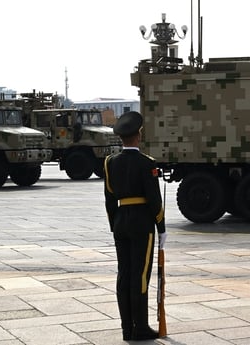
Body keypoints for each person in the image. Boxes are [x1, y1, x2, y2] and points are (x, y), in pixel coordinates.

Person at [103, 111, 166, 341]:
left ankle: (126, 328)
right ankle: (140, 326)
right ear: (138, 136)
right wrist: (161, 226)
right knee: (140, 275)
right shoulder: (146, 163)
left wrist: (114, 225)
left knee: (124, 274)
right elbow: (154, 199)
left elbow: (109, 199)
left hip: (120, 221)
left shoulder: (110, 162)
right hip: (142, 222)